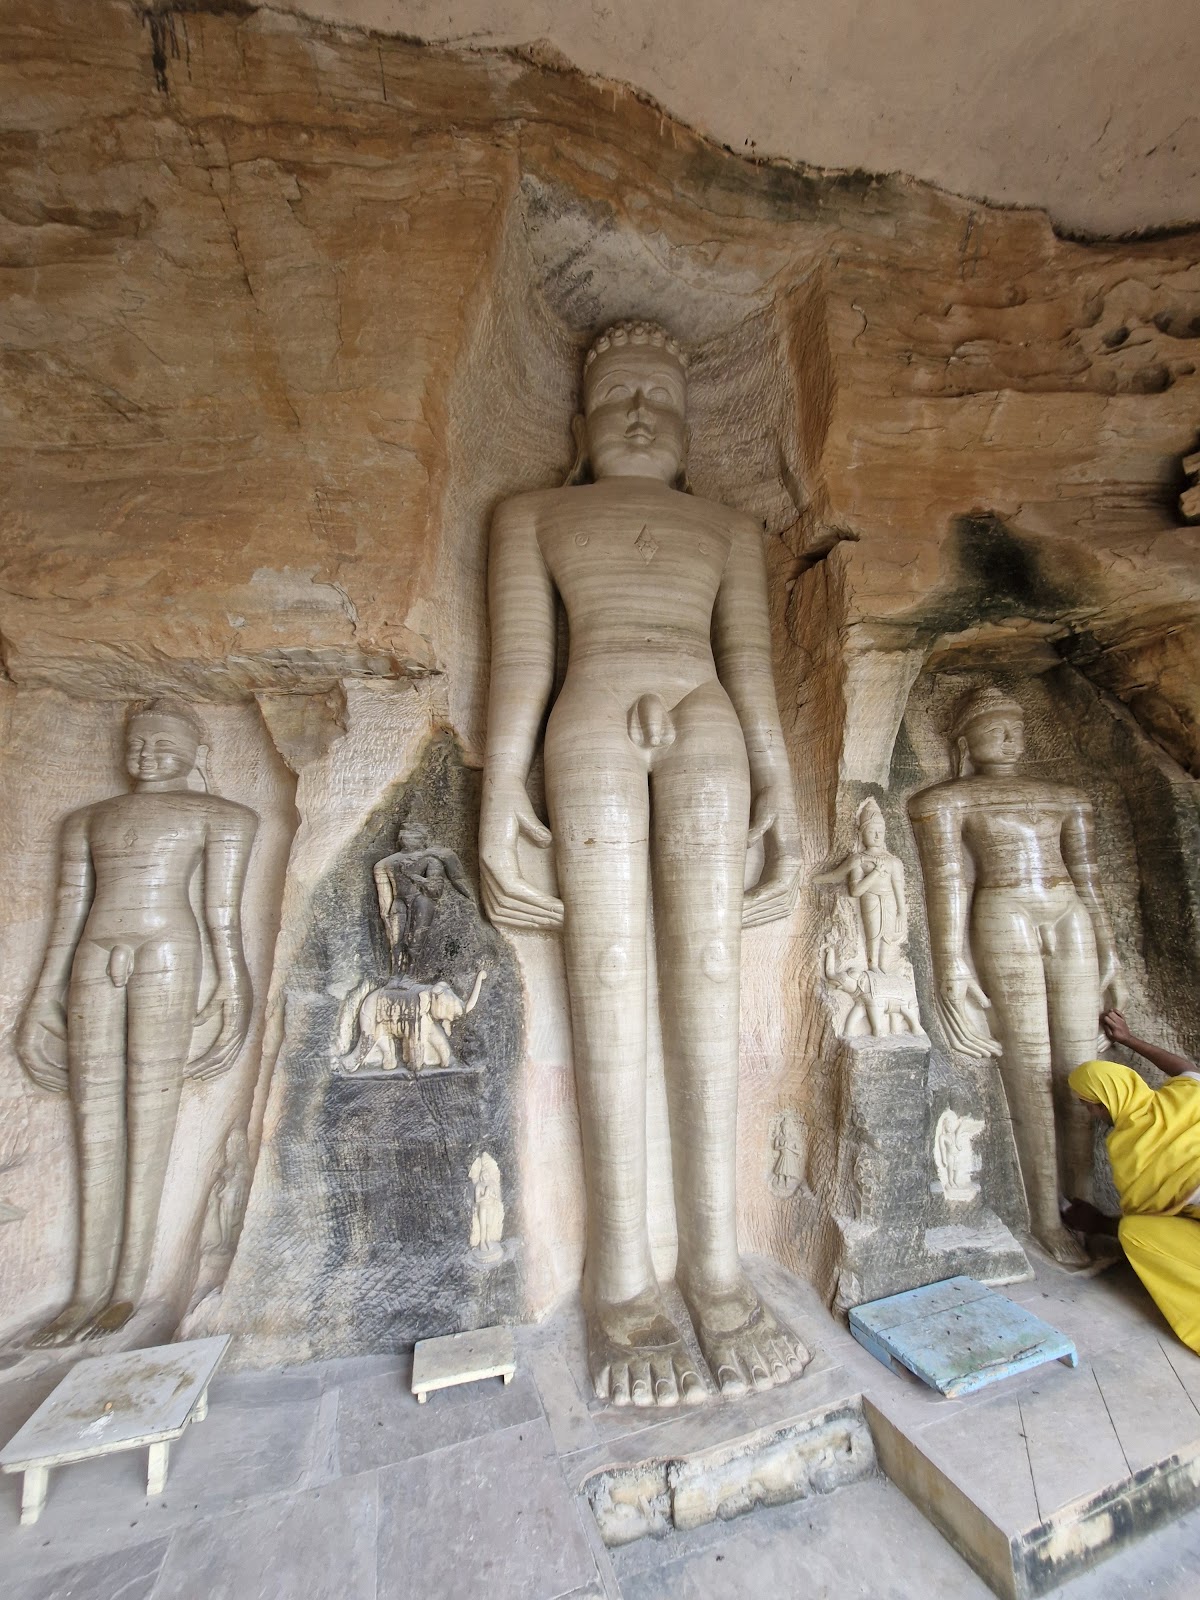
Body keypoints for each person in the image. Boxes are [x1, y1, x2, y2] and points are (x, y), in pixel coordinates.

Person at [480, 320, 807, 1406]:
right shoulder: (534, 515)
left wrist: (782, 799)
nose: (634, 412)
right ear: (577, 424)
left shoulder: (726, 527)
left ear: (686, 430)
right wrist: (498, 799)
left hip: (704, 720)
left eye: (657, 400)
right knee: (609, 979)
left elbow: (750, 671)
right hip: (590, 721)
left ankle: (715, 1267)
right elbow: (523, 666)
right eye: (616, 394)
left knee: (707, 981)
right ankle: (622, 1282)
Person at [18, 698, 258, 1344]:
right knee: (93, 1113)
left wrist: (236, 986)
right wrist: (41, 998)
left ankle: (128, 1284)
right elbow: (68, 917)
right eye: (137, 741)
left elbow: (223, 917)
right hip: (94, 950)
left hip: (167, 949)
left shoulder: (220, 817)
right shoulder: (86, 822)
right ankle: (85, 1287)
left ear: (191, 750)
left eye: (161, 742)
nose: (146, 753)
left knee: (150, 1114)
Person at [908, 687, 1124, 1268]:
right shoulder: (944, 800)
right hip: (1003, 910)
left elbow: (1089, 874)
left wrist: (1111, 952)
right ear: (964, 742)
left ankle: (1082, 1205)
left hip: (1067, 909)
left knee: (1082, 1070)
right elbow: (948, 883)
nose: (1010, 735)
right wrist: (951, 963)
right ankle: (1047, 1219)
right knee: (1029, 1066)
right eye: (995, 726)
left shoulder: (1064, 797)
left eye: (1016, 726)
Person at [1064, 1010, 1200, 1354]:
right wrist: (1128, 1039)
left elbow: (1147, 1217)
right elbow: (1187, 1068)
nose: (1090, 1115)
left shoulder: (1131, 1149)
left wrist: (1097, 1223)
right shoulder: (1187, 1095)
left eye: (1089, 1107)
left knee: (1134, 1232)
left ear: (1105, 1104)